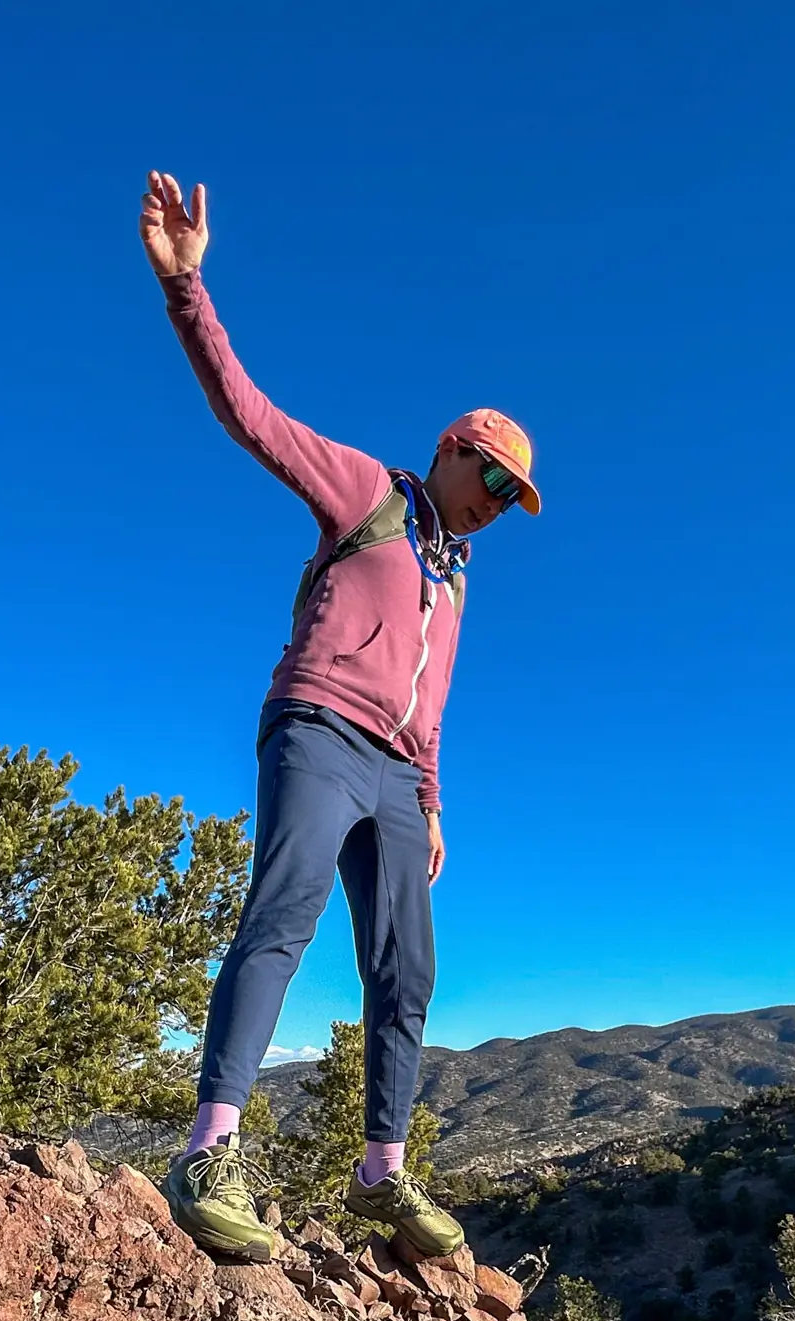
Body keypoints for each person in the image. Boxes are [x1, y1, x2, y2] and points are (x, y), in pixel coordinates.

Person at [138, 170, 541, 1263]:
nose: (496, 505)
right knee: (284, 913)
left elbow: (434, 709)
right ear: (451, 450)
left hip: (399, 779)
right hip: (317, 730)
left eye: (513, 498)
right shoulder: (368, 495)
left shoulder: (455, 583)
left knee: (406, 972)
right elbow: (249, 415)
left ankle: (382, 1176)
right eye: (490, 479)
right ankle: (207, 1151)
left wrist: (433, 801)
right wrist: (189, 290)